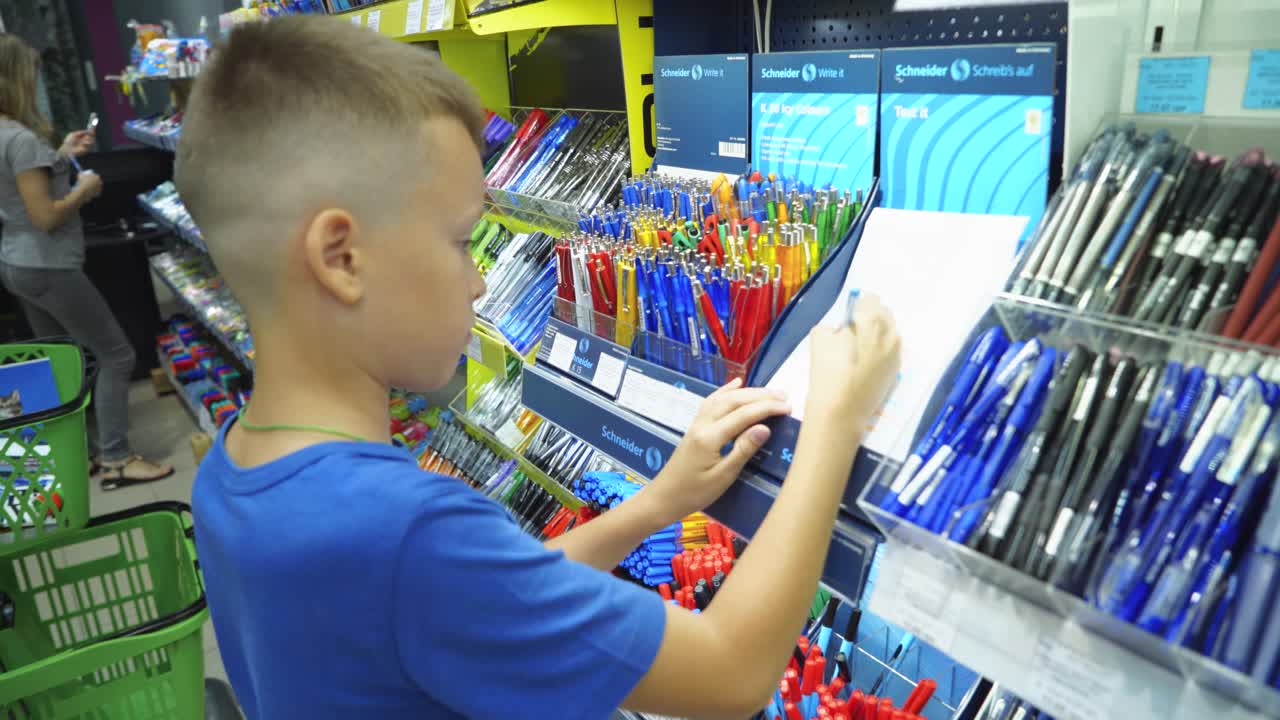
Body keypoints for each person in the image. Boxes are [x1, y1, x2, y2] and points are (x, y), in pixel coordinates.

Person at [178, 17, 900, 720]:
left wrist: (657, 505)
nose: (480, 283)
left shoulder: (232, 468)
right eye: (461, 241)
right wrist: (834, 423)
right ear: (341, 258)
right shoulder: (406, 532)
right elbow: (730, 671)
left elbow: (495, 597)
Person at [0, 35, 173, 486]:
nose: (37, 85)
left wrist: (59, 159)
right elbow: (44, 215)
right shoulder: (19, 139)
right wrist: (84, 190)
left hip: (18, 263)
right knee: (115, 355)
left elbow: (20, 194)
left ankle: (80, 454)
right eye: (31, 75)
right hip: (49, 265)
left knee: (61, 362)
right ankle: (118, 458)